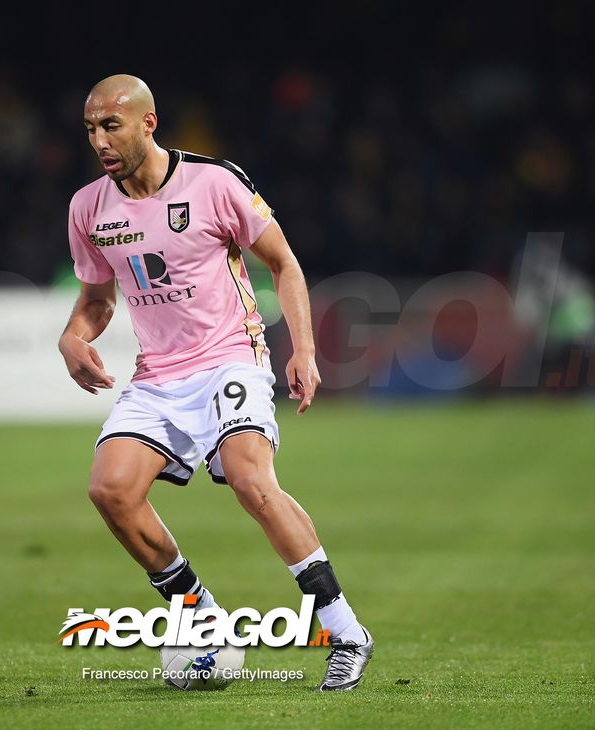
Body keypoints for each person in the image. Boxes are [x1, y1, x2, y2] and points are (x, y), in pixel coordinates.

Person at [58, 74, 372, 691]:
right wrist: (73, 337)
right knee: (110, 490)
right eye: (90, 129)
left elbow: (283, 262)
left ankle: (345, 632)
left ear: (148, 123)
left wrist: (304, 349)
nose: (99, 141)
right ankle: (203, 618)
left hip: (231, 357)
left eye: (111, 126)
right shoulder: (87, 207)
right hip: (158, 374)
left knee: (251, 480)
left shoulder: (214, 182)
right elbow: (96, 300)